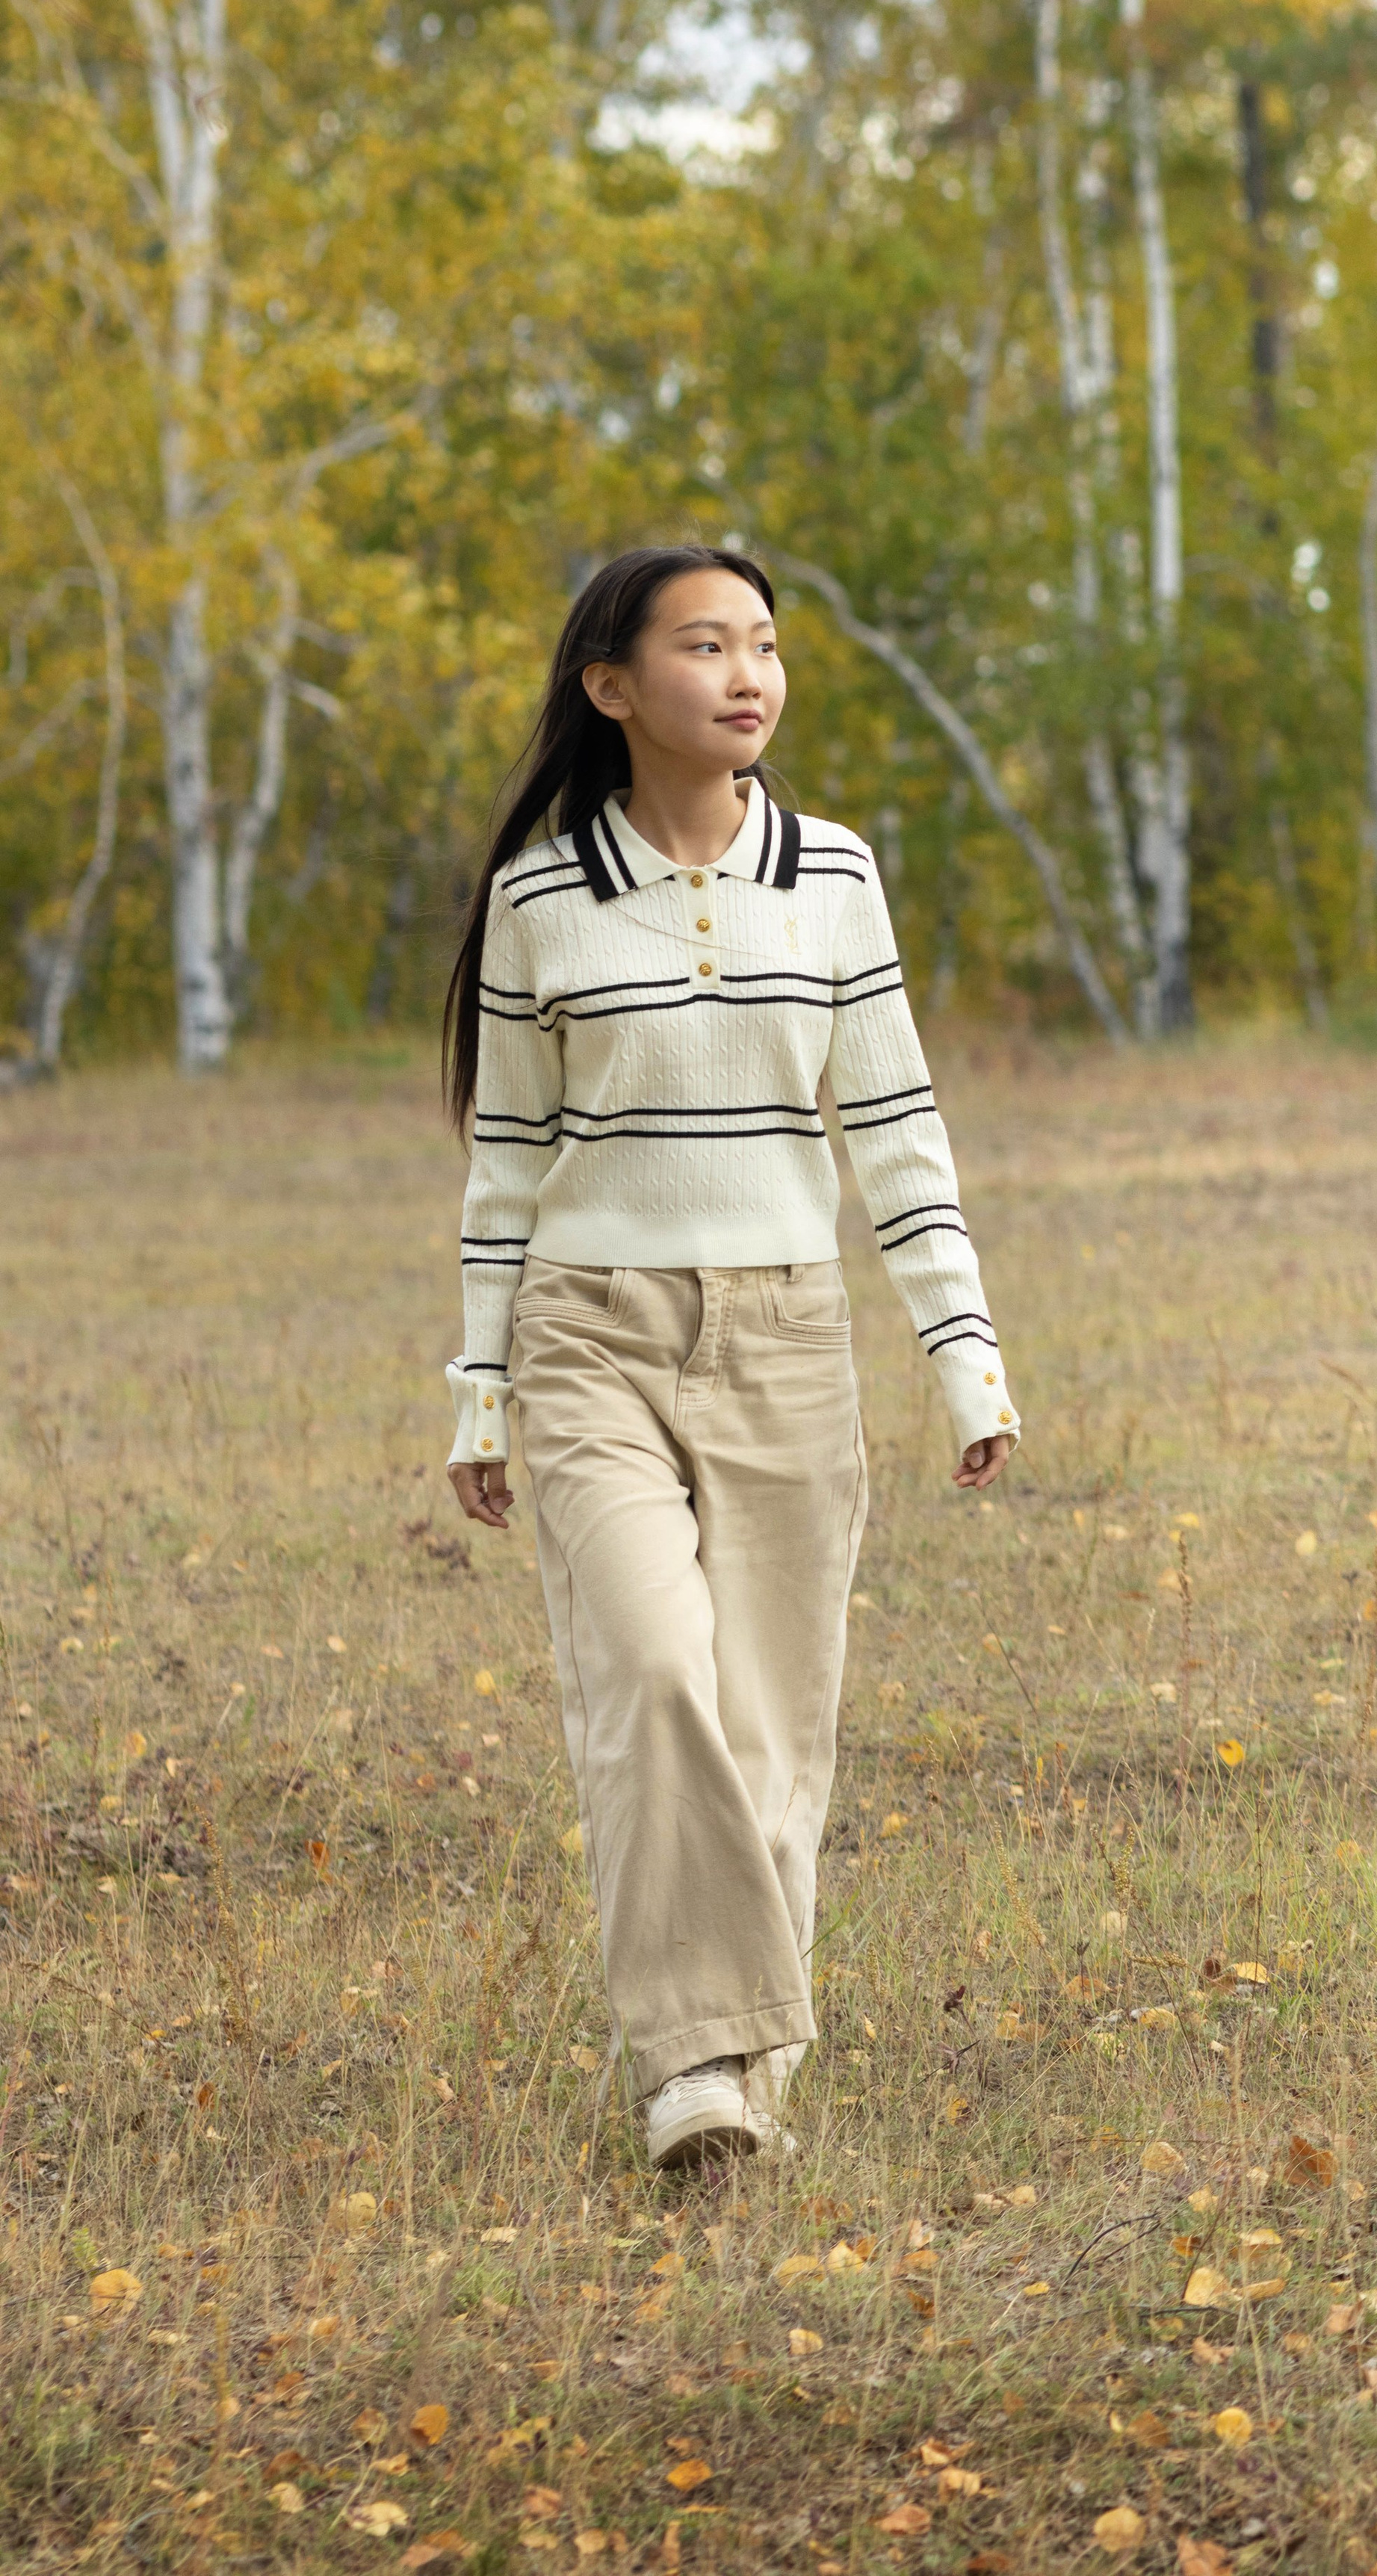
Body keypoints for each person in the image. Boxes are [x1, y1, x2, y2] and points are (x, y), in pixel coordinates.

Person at [440, 545, 1019, 2170]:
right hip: (587, 1334)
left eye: (764, 644)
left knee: (771, 1722)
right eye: (704, 646)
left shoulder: (834, 872)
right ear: (612, 687)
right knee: (651, 1679)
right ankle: (689, 2067)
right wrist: (480, 1386)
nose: (748, 673)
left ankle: (743, 2073)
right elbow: (506, 1163)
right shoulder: (539, 897)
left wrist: (960, 1353)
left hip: (784, 1332)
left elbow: (895, 1131)